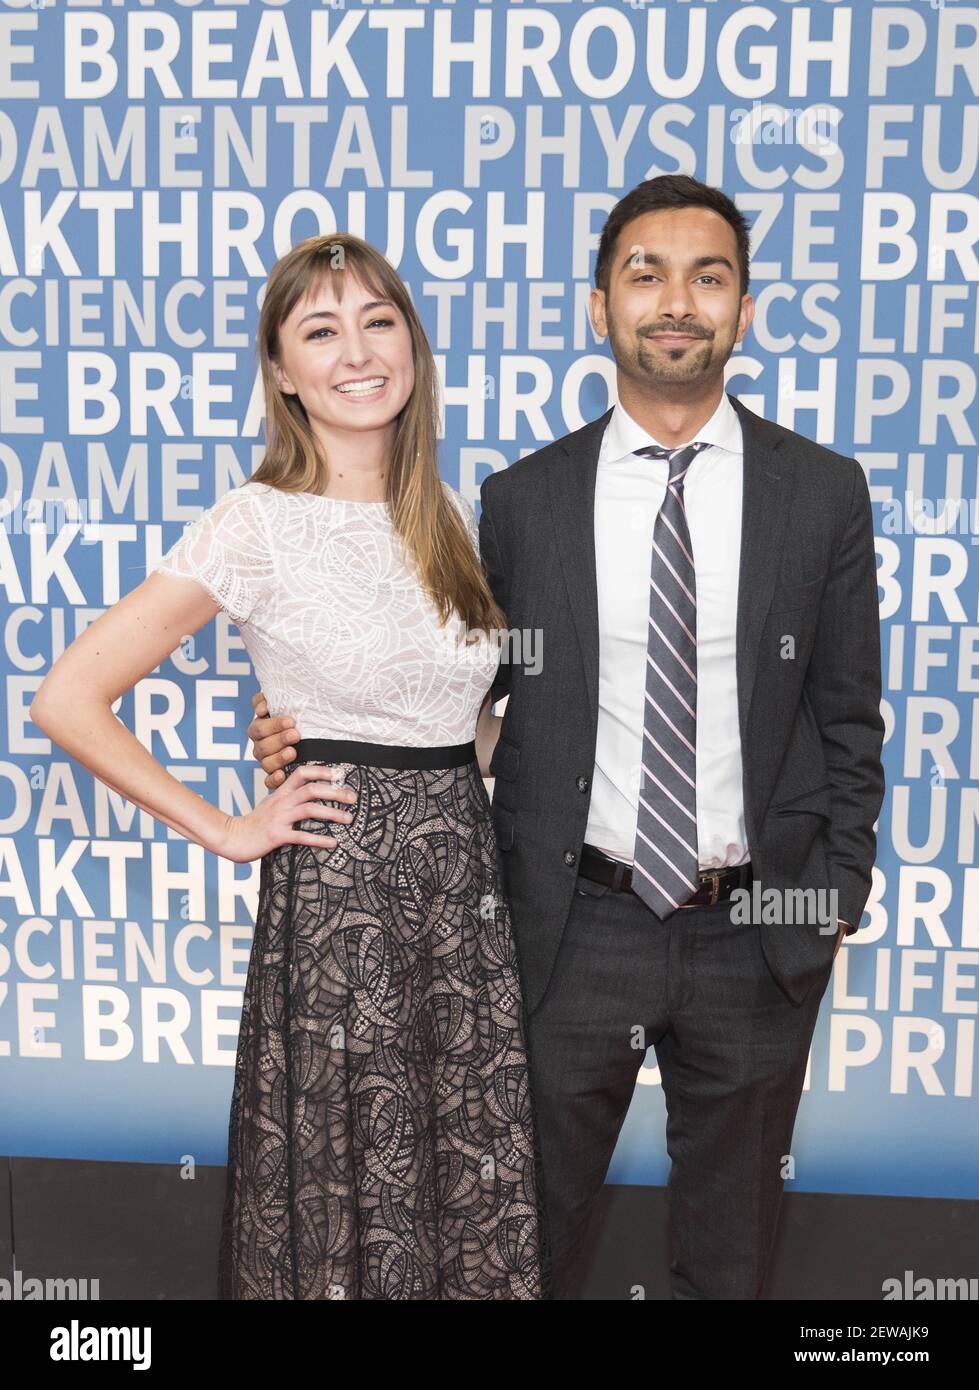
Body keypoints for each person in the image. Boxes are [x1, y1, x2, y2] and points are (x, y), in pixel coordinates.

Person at [249, 176, 885, 1300]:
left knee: (731, 1261)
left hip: (757, 933)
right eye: (645, 275)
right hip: (561, 928)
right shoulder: (522, 499)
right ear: (600, 308)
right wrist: (319, 736)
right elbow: (471, 694)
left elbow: (847, 721)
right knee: (515, 1251)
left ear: (744, 309)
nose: (675, 301)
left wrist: (824, 905)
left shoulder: (822, 493)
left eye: (708, 275)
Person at [29, 233, 547, 1301]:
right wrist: (226, 826)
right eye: (321, 330)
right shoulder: (257, 523)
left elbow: (457, 732)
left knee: (463, 1206)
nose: (356, 352)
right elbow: (67, 697)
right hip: (341, 915)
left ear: (412, 341)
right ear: (281, 371)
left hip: (464, 908)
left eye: (378, 320)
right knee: (349, 1211)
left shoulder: (452, 518)